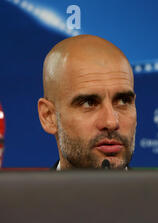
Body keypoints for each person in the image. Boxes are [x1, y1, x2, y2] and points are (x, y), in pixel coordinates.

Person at [37, 35, 137, 170]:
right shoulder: (16, 192)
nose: (111, 122)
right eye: (89, 103)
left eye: (123, 101)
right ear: (48, 116)